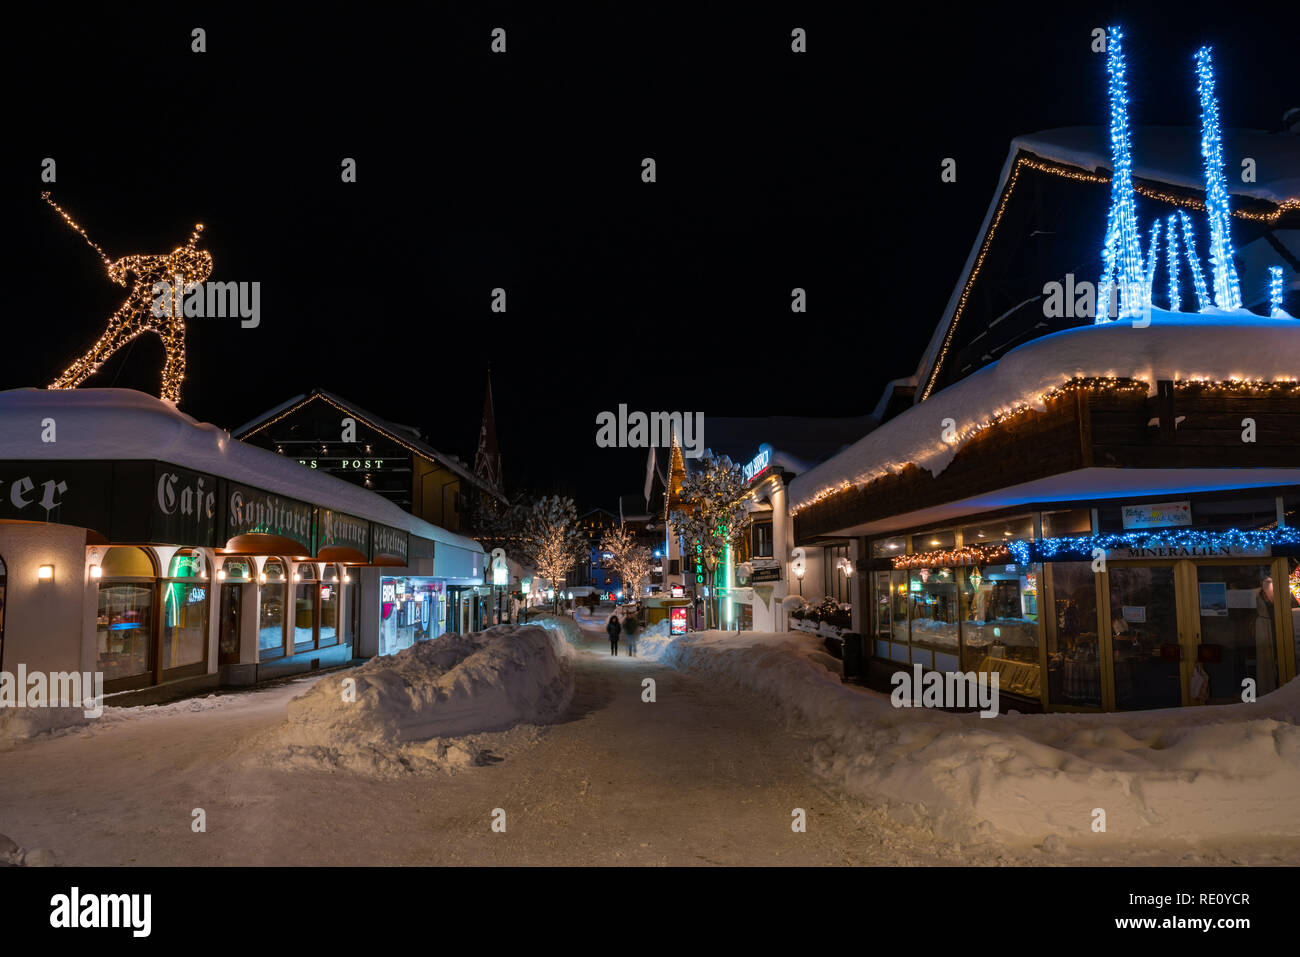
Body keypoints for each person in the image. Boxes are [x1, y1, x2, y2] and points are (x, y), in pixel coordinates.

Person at [1256, 576, 1279, 695]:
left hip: (1274, 626)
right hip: (1263, 626)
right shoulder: (1258, 594)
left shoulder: (1275, 592)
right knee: (1265, 656)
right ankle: (1266, 687)